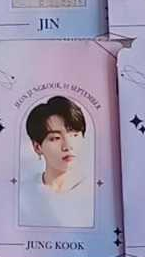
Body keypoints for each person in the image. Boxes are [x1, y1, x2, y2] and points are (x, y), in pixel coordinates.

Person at [20, 96, 93, 227]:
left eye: (74, 135)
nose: (67, 146)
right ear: (37, 147)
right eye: (55, 138)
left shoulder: (96, 192)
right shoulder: (23, 194)